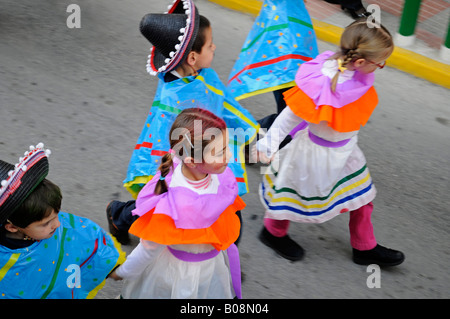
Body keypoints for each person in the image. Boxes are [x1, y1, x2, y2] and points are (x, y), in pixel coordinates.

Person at [108, 0, 258, 245]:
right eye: (210, 46)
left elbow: (227, 105)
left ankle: (220, 259)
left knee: (228, 212)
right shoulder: (172, 99)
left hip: (213, 155)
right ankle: (118, 215)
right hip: (189, 162)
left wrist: (253, 134)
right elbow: (164, 139)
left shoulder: (206, 75)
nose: (214, 48)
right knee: (156, 206)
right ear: (192, 57)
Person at [256, 19, 405, 266]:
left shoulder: (356, 77)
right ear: (359, 62)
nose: (380, 67)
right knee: (289, 196)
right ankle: (272, 232)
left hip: (346, 153)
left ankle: (364, 246)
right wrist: (268, 146)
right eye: (379, 63)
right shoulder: (320, 80)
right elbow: (288, 116)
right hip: (312, 154)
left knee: (363, 197)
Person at [109, 108, 245, 299]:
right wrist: (122, 272)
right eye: (220, 151)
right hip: (178, 275)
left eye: (226, 147)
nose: (229, 156)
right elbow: (148, 249)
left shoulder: (218, 175)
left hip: (210, 267)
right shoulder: (171, 206)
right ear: (191, 160)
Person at [0, 143, 125, 299]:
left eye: (57, 215)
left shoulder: (46, 220)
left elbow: (86, 237)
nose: (58, 224)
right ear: (12, 227)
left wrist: (108, 264)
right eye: (46, 223)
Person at [228, 0, 318, 145]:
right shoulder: (283, 9)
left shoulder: (285, 7)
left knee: (291, 115)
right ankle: (241, 138)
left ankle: (246, 139)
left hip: (289, 62)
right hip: (287, 64)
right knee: (291, 116)